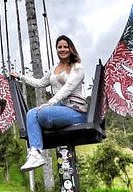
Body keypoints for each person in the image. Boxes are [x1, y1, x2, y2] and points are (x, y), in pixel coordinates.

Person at [10, 35, 88, 171]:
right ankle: (35, 153)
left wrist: (51, 102)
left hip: (75, 110)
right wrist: (20, 76)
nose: (62, 49)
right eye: (59, 47)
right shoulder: (54, 68)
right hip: (60, 108)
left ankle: (38, 145)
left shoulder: (77, 68)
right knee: (31, 113)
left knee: (44, 113)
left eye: (65, 46)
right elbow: (40, 83)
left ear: (70, 49)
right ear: (56, 49)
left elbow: (68, 87)